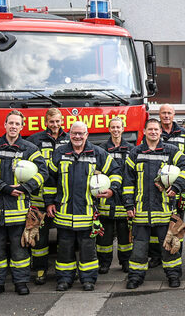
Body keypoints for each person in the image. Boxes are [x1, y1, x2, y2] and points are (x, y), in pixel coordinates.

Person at [0, 110, 45, 297]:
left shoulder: (30, 149)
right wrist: (5, 188)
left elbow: (42, 173)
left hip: (18, 211)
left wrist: (25, 188)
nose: (13, 126)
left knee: (20, 250)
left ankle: (21, 283)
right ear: (4, 125)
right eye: (10, 123)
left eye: (17, 124)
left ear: (22, 127)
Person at [45, 121, 120, 292]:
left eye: (81, 133)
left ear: (87, 135)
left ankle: (88, 279)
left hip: (88, 213)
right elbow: (50, 180)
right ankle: (64, 279)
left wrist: (112, 190)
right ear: (69, 134)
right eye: (74, 133)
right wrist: (49, 202)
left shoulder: (97, 153)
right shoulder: (60, 153)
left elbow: (115, 171)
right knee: (64, 249)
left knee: (88, 249)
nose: (77, 136)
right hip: (64, 212)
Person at [124, 118, 185, 289]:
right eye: (150, 129)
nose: (153, 132)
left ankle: (173, 275)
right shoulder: (135, 153)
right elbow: (128, 181)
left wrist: (177, 187)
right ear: (144, 132)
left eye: (156, 129)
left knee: (168, 245)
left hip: (165, 210)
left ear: (160, 132)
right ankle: (135, 277)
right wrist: (128, 204)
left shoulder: (171, 151)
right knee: (139, 248)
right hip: (141, 210)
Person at [149, 104, 185, 267]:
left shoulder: (184, 135)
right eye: (163, 113)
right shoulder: (154, 131)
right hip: (157, 186)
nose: (166, 116)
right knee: (156, 222)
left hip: (178, 187)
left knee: (176, 222)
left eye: (169, 113)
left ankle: (175, 253)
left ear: (174, 115)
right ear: (159, 114)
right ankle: (156, 256)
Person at [25, 107, 67, 284]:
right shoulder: (34, 140)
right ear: (46, 122)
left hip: (63, 198)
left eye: (57, 121)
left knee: (65, 238)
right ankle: (40, 270)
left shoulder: (69, 140)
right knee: (39, 238)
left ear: (62, 121)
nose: (55, 125)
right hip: (39, 199)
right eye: (51, 122)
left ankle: (63, 271)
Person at [96, 115, 134, 273]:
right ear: (109, 129)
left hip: (124, 195)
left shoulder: (131, 149)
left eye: (118, 127)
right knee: (104, 234)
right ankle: (104, 263)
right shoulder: (101, 149)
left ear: (123, 129)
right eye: (113, 127)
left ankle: (125, 262)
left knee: (125, 234)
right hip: (107, 197)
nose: (116, 130)